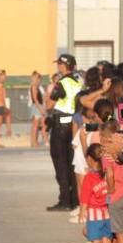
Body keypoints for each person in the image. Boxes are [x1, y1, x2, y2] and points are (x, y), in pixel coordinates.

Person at [47, 54, 83, 212]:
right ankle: (75, 198)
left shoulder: (62, 82)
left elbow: (52, 98)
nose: (58, 67)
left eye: (60, 64)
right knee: (71, 162)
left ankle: (65, 200)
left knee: (60, 161)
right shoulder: (78, 82)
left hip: (61, 123)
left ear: (64, 66)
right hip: (72, 123)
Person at [79, 143, 113, 243]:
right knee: (107, 240)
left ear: (89, 159)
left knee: (96, 242)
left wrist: (82, 212)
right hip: (107, 212)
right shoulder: (106, 173)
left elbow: (85, 198)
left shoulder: (89, 177)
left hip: (94, 214)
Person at [28, 71, 46, 148]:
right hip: (36, 107)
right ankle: (34, 142)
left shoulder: (37, 87)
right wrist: (40, 108)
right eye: (39, 79)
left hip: (37, 106)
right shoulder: (34, 86)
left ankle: (34, 142)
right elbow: (35, 99)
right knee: (35, 125)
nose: (39, 81)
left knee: (37, 125)